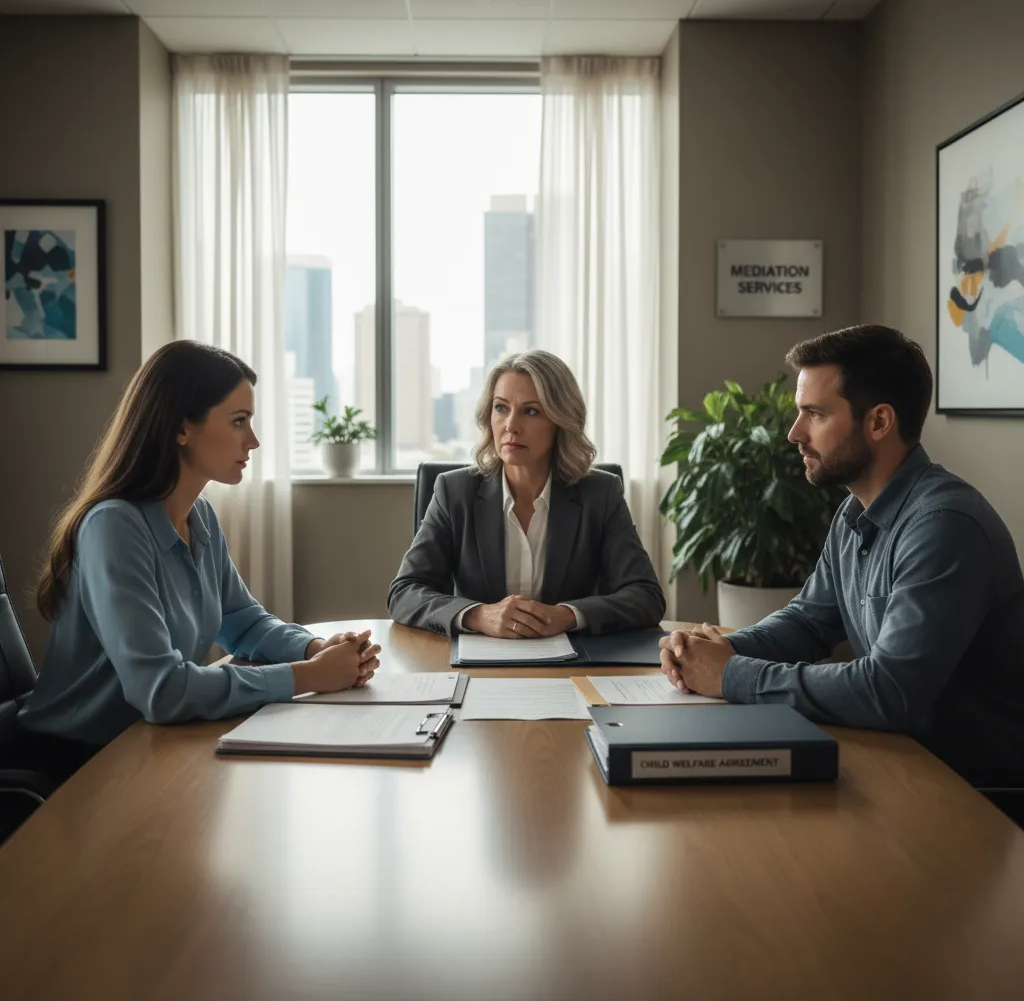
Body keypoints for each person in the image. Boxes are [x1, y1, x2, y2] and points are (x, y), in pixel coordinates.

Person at [660, 324, 1024, 788]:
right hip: (901, 763)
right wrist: (713, 652)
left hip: (972, 792)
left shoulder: (945, 527)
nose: (794, 433)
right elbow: (808, 622)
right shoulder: (855, 511)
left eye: (814, 414)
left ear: (879, 422)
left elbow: (888, 691)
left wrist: (731, 674)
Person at [16, 341, 380, 780]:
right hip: (73, 766)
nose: (253, 440)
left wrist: (316, 649)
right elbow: (162, 691)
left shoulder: (199, 515)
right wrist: (309, 676)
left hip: (147, 744)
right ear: (181, 428)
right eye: (239, 421)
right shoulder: (114, 526)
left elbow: (243, 622)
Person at [388, 350, 665, 638]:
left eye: (531, 411)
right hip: (478, 657)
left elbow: (646, 596)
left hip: (572, 659)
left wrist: (567, 615)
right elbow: (404, 592)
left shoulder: (600, 494)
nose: (511, 426)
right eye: (501, 408)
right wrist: (478, 615)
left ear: (561, 420)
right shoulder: (454, 492)